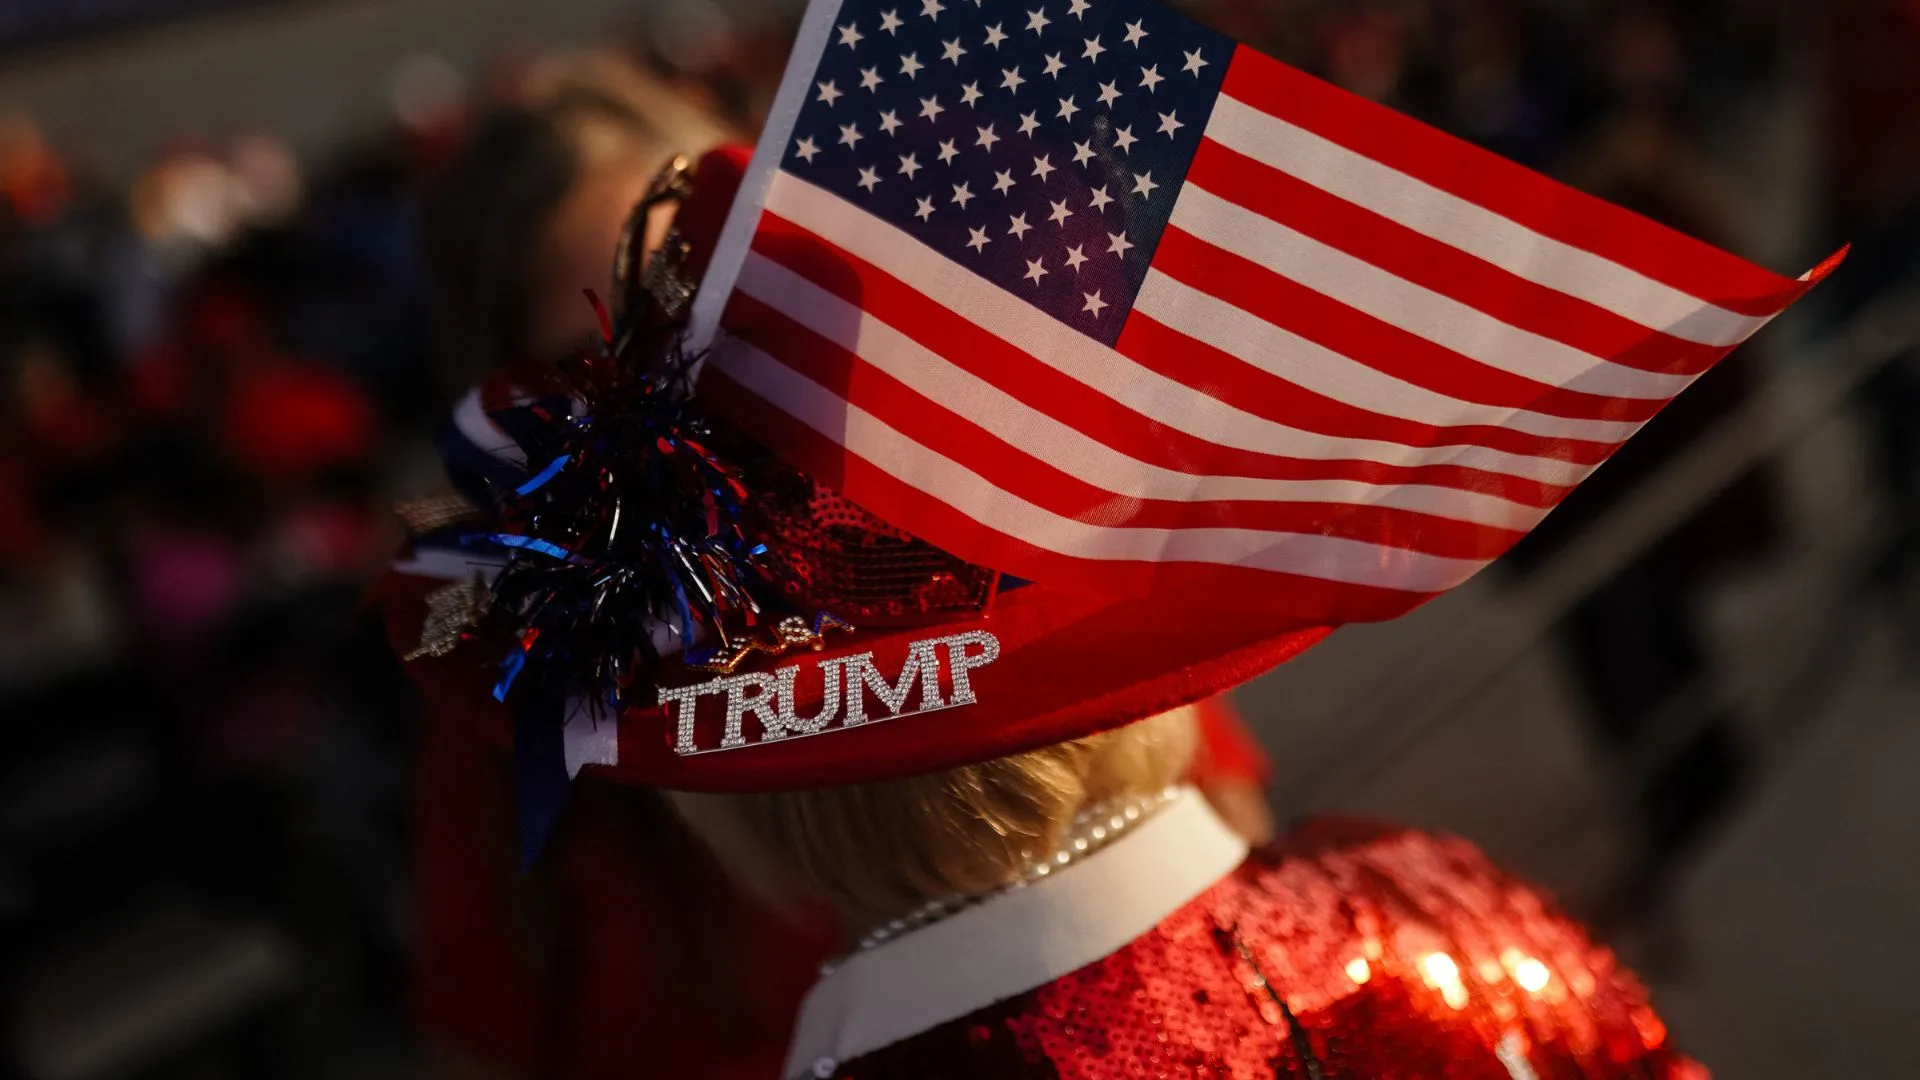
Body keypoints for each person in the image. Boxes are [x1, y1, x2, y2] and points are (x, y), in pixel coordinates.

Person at [396, 59, 1282, 1080]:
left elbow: (1231, 847)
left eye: (702, 306)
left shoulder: (983, 565)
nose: (686, 399)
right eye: (603, 364)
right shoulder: (506, 735)